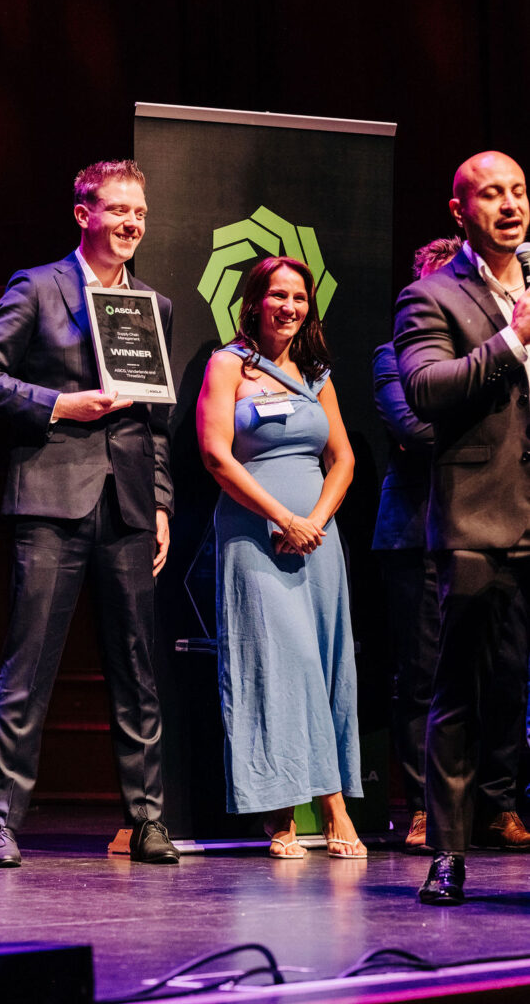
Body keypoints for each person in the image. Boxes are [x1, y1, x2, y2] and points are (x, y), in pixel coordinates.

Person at [0, 159, 179, 866]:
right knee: (28, 666)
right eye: (118, 210)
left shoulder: (152, 304)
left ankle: (147, 819)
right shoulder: (38, 286)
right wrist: (57, 403)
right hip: (51, 500)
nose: (130, 224)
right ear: (84, 214)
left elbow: (156, 423)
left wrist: (160, 502)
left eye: (139, 213)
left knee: (138, 669)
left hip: (128, 506)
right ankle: (2, 821)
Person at [394, 151, 530, 904]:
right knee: (459, 693)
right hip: (479, 519)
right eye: (491, 194)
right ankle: (447, 852)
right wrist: (512, 339)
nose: (509, 205)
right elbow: (425, 388)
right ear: (460, 211)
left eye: (518, 191)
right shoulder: (431, 295)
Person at [196, 256, 365, 859]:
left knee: (324, 663)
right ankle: (290, 807)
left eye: (299, 297)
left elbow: (343, 459)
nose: (289, 307)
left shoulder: (317, 375)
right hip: (257, 537)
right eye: (278, 295)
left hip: (318, 540)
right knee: (276, 663)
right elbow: (216, 455)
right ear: (254, 302)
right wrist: (282, 517)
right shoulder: (228, 365)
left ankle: (323, 799)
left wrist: (313, 520)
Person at [372, 236, 461, 853]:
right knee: (422, 676)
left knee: (498, 672)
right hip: (415, 532)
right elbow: (412, 428)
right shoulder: (391, 355)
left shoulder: (493, 355)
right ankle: (424, 807)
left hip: (486, 526)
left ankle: (495, 803)